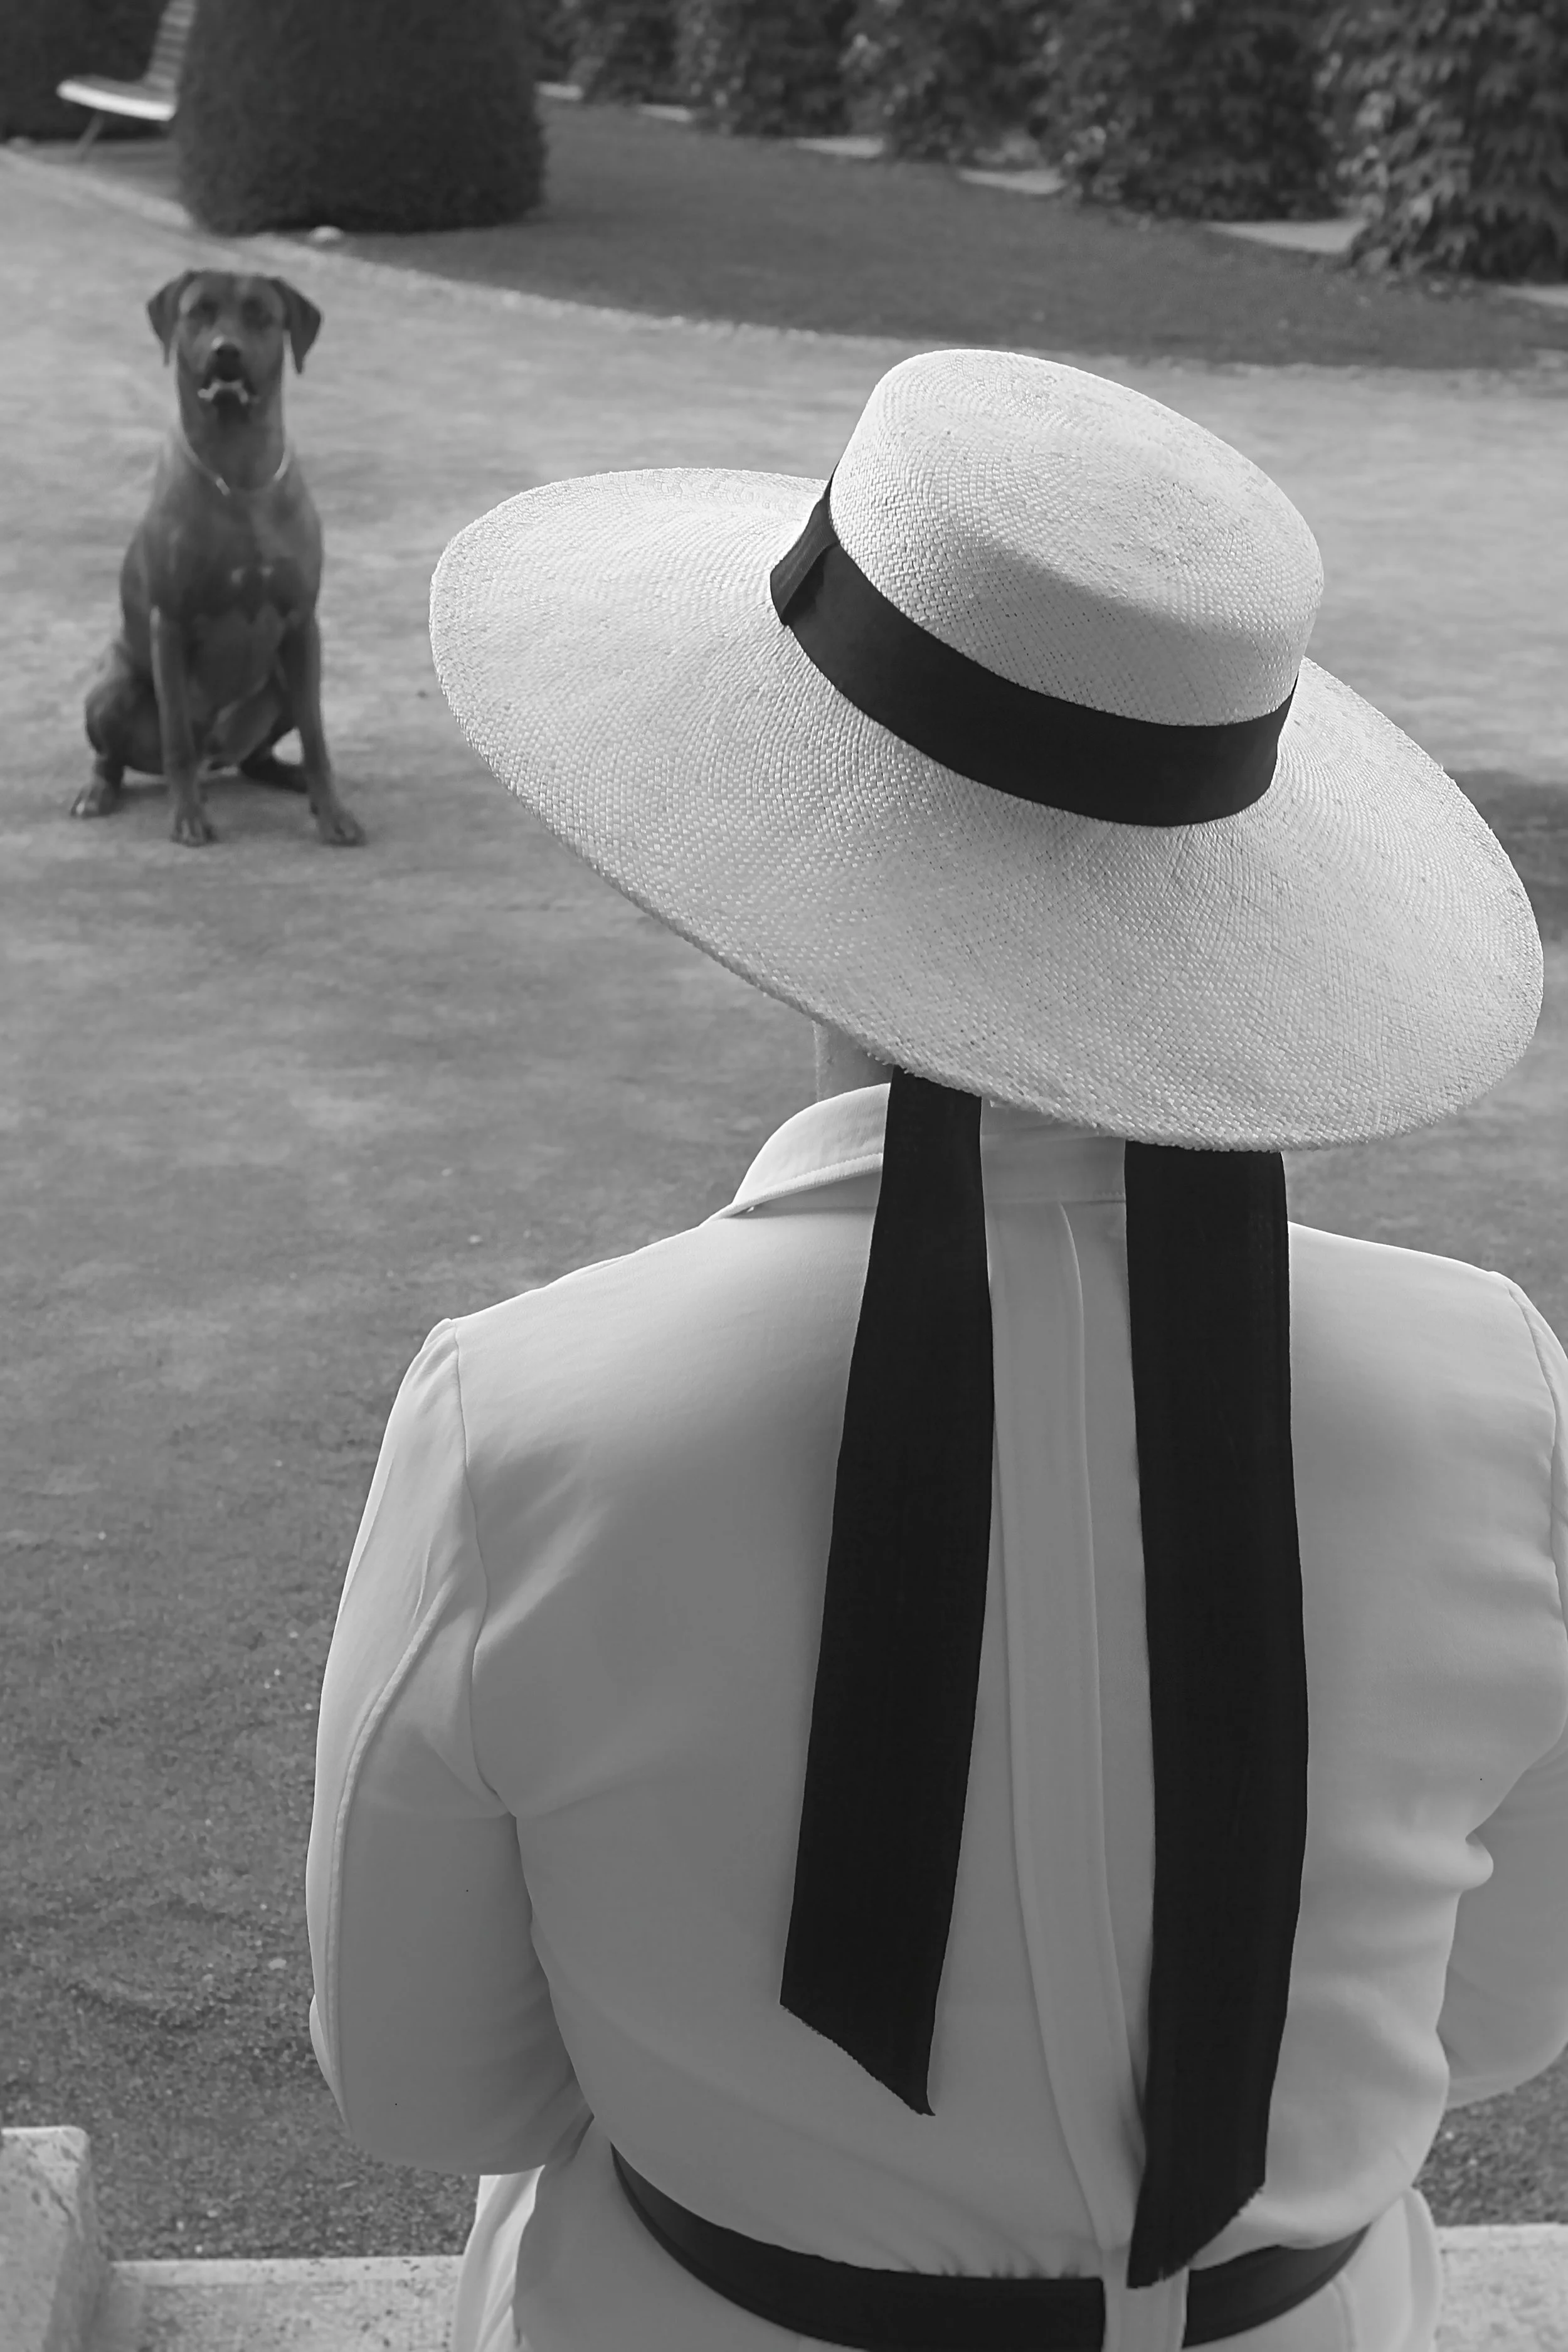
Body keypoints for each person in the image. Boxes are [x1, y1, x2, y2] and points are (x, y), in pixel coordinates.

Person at [305, 351, 1567, 2352]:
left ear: (775, 820)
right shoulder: (1483, 1387)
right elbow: (1495, 2018)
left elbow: (428, 2084)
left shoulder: (527, 1415)